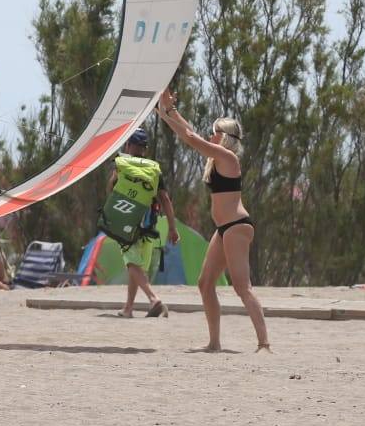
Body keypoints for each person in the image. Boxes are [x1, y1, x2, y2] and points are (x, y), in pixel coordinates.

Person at [156, 88, 269, 352]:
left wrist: (169, 111)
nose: (211, 134)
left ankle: (264, 343)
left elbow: (190, 137)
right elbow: (189, 134)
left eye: (215, 132)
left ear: (226, 137)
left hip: (237, 227)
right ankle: (214, 343)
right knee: (205, 284)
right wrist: (165, 112)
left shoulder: (227, 157)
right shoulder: (216, 158)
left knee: (243, 287)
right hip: (224, 229)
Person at [107, 128, 180, 318]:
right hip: (149, 225)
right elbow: (165, 199)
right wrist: (172, 227)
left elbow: (111, 190)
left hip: (127, 222)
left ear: (128, 145)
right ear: (144, 149)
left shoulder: (122, 165)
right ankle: (128, 308)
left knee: (131, 264)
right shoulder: (153, 169)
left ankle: (153, 299)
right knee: (137, 267)